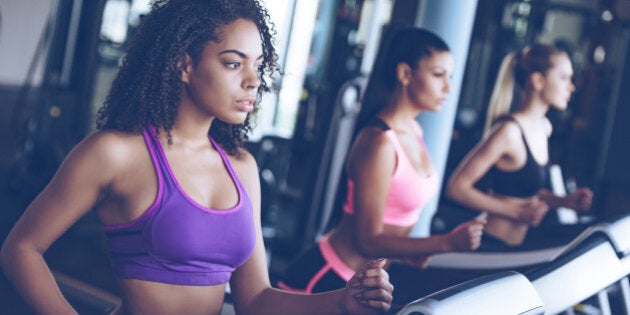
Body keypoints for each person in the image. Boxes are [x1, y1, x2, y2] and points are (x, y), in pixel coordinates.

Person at [0, 1, 394, 314]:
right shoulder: (115, 153)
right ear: (184, 65)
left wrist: (340, 301)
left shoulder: (242, 167)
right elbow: (21, 249)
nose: (253, 80)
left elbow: (255, 299)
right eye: (233, 63)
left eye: (258, 66)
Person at [277, 27, 485, 308]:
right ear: (405, 74)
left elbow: (395, 220)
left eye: (450, 77)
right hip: (327, 277)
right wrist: (446, 243)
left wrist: (408, 251)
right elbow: (369, 240)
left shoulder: (413, 131)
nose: (448, 87)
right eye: (438, 75)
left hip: (366, 285)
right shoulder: (378, 142)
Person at [446, 43, 593, 250]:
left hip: (514, 248)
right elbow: (457, 188)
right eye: (563, 78)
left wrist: (564, 202)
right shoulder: (508, 132)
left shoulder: (544, 127)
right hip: (489, 245)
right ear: (538, 80)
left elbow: (525, 189)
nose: (571, 87)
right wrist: (517, 213)